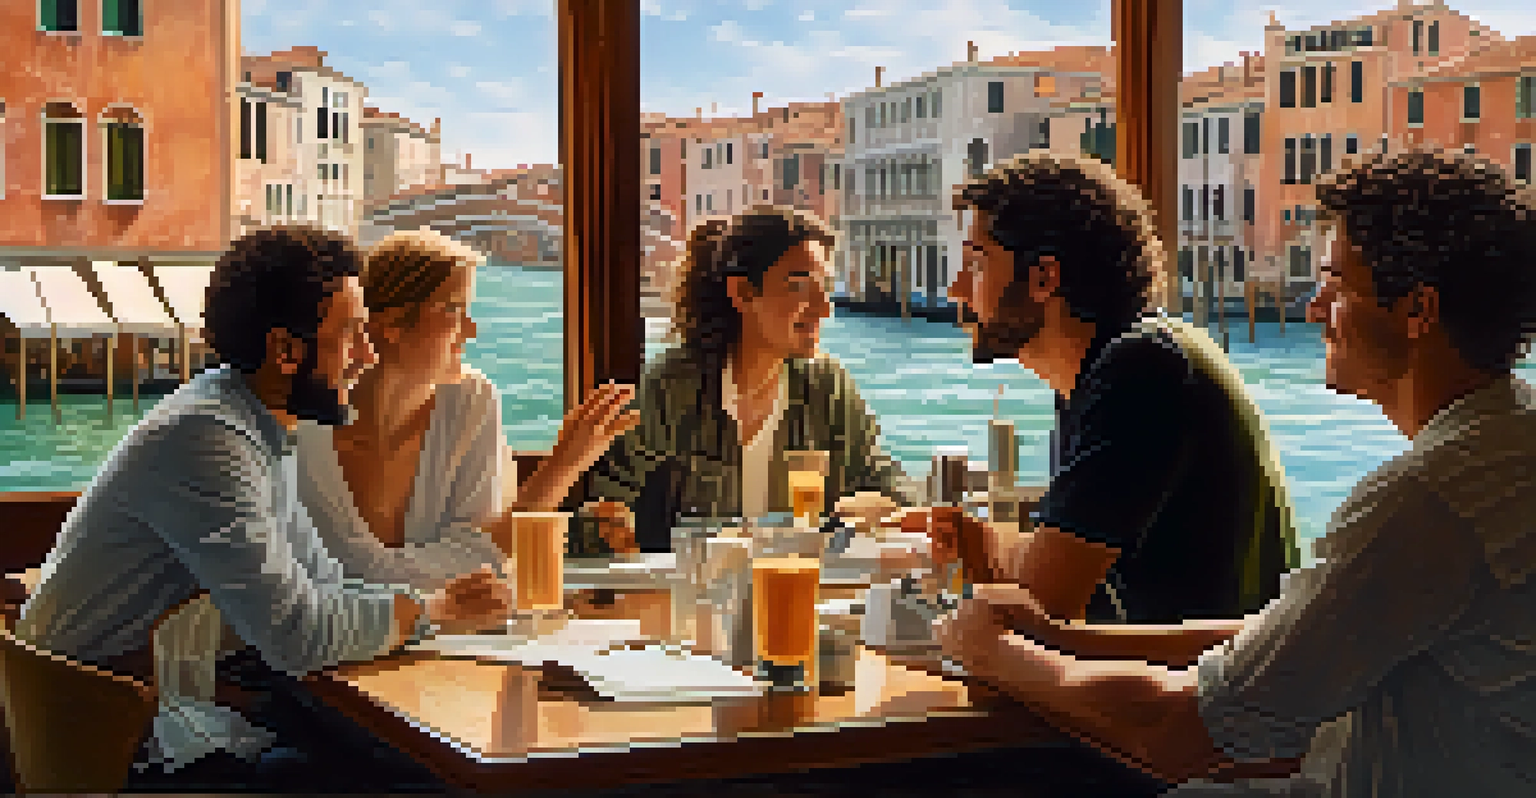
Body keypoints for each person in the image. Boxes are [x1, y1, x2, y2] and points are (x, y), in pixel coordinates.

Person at [936, 149, 1536, 796]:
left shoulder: (1428, 503)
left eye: (1334, 281)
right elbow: (1273, 637)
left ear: (1418, 310)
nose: (1312, 307)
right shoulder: (1504, 445)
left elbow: (1181, 734)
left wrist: (993, 653)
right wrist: (1054, 639)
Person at [16, 225, 514, 791]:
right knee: (413, 777)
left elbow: (321, 583)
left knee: (396, 761)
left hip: (153, 712)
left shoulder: (254, 424)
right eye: (351, 334)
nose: (367, 355)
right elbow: (296, 636)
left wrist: (423, 607)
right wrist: (433, 610)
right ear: (284, 350)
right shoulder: (209, 440)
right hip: (110, 745)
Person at [927, 151, 1299, 625]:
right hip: (1174, 682)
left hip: (1206, 693)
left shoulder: (1140, 371)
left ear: (1044, 278)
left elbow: (1044, 604)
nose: (957, 289)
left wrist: (991, 551)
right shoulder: (1109, 371)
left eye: (976, 265)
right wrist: (990, 550)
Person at [296, 228, 637, 592]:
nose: (470, 330)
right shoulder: (306, 426)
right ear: (390, 325)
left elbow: (480, 559)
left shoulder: (470, 399)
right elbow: (351, 573)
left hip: (443, 636)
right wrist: (562, 466)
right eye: (454, 310)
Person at [577, 205, 919, 554]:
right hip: (694, 597)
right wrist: (612, 528)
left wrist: (886, 505)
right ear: (742, 293)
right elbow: (606, 508)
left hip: (801, 590)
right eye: (799, 286)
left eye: (825, 287)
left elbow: (882, 477)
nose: (823, 307)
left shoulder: (828, 388)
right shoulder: (671, 387)